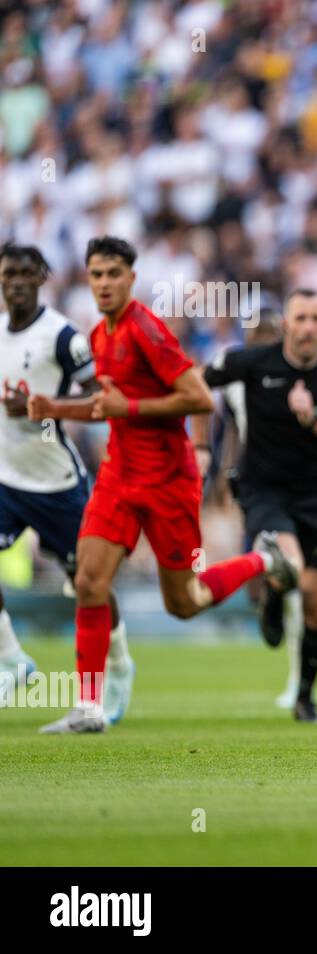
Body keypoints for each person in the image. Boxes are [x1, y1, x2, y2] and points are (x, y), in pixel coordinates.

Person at [28, 236, 296, 734]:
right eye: (96, 274)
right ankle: (88, 708)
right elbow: (104, 405)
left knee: (184, 603)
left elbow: (197, 397)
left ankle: (264, 560)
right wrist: (51, 408)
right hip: (118, 475)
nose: (103, 283)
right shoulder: (100, 334)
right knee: (87, 581)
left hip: (168, 483)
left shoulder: (146, 331)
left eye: (113, 274)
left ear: (131, 278)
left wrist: (128, 411)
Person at [197, 289, 317, 723]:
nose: (308, 327)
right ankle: (272, 592)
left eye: (316, 319)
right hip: (264, 489)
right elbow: (195, 382)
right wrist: (200, 446)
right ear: (286, 324)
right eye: (300, 318)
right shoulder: (252, 362)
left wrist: (314, 421)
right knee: (288, 563)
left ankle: (305, 696)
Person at [0, 242, 134, 723]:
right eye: (8, 272)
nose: (15, 281)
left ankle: (118, 665)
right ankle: (12, 659)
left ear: (43, 277)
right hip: (5, 479)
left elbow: (103, 397)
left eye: (25, 273)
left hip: (56, 484)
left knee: (88, 583)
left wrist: (46, 404)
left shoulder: (63, 337)